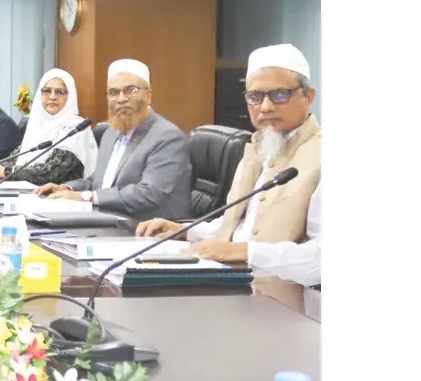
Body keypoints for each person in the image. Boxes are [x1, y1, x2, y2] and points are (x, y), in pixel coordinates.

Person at [136, 44, 321, 312]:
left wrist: (247, 252)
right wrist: (186, 231)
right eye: (255, 96)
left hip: (292, 313)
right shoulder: (260, 146)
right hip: (235, 295)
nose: (265, 107)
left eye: (280, 94)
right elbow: (243, 224)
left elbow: (322, 258)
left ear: (308, 96)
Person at [35, 59, 191, 221]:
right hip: (106, 221)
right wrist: (66, 188)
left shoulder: (167, 137)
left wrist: (86, 197)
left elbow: (147, 194)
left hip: (145, 229)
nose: (121, 99)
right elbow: (98, 182)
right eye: (114, 92)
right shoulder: (111, 133)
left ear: (148, 95)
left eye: (131, 90)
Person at [0, 69, 97, 185]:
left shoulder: (76, 128)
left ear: (70, 96)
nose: (52, 97)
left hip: (59, 194)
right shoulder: (37, 125)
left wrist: (7, 171)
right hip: (29, 191)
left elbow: (51, 172)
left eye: (60, 92)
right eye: (47, 91)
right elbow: (16, 158)